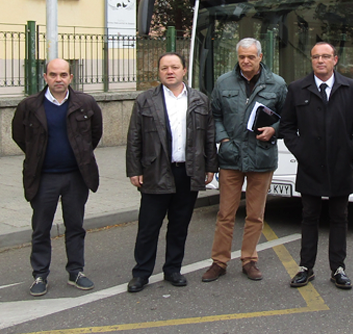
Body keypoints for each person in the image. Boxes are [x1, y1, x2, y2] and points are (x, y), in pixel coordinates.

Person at [125, 53, 218, 293]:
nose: (170, 71)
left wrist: (210, 167)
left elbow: (209, 136)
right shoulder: (145, 100)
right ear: (159, 72)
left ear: (184, 70)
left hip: (187, 171)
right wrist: (134, 169)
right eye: (165, 68)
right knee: (148, 226)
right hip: (155, 171)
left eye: (174, 67)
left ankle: (173, 269)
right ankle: (141, 273)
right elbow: (134, 137)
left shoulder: (200, 100)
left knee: (179, 225)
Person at [280, 42, 353, 289]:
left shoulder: (352, 88)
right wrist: (301, 151)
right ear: (311, 60)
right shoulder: (297, 89)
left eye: (326, 56)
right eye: (316, 57)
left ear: (335, 59)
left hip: (341, 165)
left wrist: (351, 150)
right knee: (309, 216)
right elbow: (287, 127)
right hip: (310, 165)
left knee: (339, 217)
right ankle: (306, 268)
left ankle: (338, 268)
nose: (321, 60)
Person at [12, 58, 103, 297]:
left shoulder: (85, 103)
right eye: (53, 75)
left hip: (76, 176)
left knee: (75, 226)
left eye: (63, 75)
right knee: (41, 229)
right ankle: (40, 275)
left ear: (71, 78)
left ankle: (76, 272)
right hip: (44, 179)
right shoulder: (30, 106)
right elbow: (20, 137)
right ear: (45, 78)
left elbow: (95, 135)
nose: (58, 79)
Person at [202, 37, 287, 282]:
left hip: (262, 157)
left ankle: (249, 260)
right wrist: (224, 141)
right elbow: (214, 115)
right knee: (225, 214)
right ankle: (219, 261)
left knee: (255, 214)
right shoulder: (224, 82)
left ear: (261, 57)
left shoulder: (277, 84)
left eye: (251, 56)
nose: (246, 61)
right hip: (230, 157)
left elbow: (289, 116)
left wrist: (275, 129)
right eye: (241, 57)